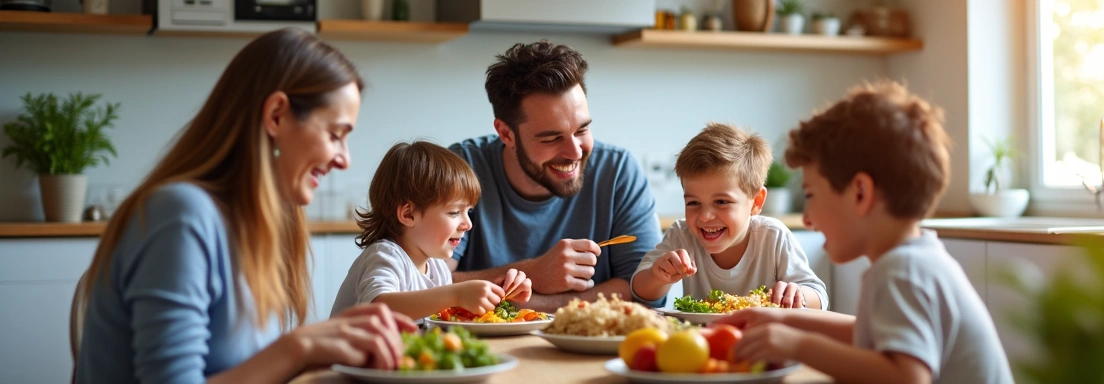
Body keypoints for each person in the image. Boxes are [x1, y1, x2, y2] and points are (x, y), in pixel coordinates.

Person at [74, 29, 415, 383]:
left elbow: (245, 370)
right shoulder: (180, 214)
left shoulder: (257, 225)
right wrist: (299, 347)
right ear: (277, 116)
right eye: (335, 135)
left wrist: (330, 351)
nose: (344, 159)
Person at [719, 81, 1013, 383]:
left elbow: (907, 377)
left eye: (810, 195)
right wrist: (784, 318)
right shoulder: (915, 260)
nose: (806, 219)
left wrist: (797, 344)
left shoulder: (903, 272)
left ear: (860, 193)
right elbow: (866, 333)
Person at [447, 40, 661, 312]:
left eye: (581, 130)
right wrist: (533, 273)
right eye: (551, 138)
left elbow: (642, 291)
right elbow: (422, 282)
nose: (574, 152)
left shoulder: (618, 172)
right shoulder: (460, 170)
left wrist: (532, 301)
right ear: (506, 134)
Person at [631, 123, 828, 310]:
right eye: (693, 203)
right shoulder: (681, 235)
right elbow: (639, 292)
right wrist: (659, 277)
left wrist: (799, 295)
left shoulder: (773, 237)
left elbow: (819, 296)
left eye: (721, 202)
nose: (705, 216)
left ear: (756, 202)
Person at [329, 141, 532, 319]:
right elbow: (379, 307)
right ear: (408, 214)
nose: (468, 224)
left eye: (468, 212)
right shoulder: (385, 256)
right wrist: (456, 294)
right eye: (454, 212)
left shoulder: (437, 267)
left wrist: (500, 293)